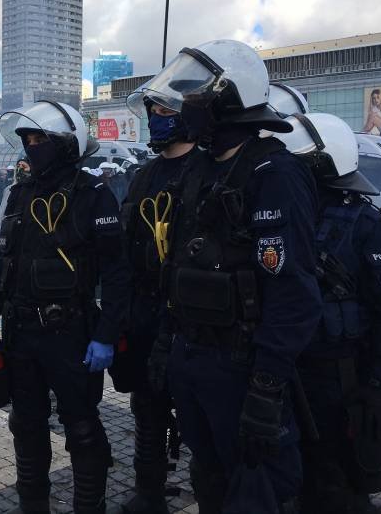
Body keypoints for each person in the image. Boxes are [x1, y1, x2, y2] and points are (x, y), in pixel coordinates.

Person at [151, 40, 322, 513]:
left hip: (242, 368)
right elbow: (177, 264)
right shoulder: (198, 170)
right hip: (193, 358)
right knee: (208, 479)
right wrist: (168, 344)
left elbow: (292, 293)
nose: (185, 106)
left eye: (194, 96)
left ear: (228, 99)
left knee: (254, 487)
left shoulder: (274, 173)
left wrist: (267, 385)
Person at [0, 100, 130, 514]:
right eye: (26, 139)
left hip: (70, 334)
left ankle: (89, 506)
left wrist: (104, 335)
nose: (31, 147)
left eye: (39, 138)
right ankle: (33, 506)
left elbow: (117, 274)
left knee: (81, 428)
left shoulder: (93, 194)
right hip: (20, 333)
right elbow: (3, 260)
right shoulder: (18, 193)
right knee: (25, 426)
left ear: (66, 144)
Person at [272, 111, 381, 514]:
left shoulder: (367, 226)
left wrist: (378, 383)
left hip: (341, 379)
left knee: (338, 487)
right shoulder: (282, 219)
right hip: (286, 371)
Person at [117, 82, 204, 514]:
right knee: (146, 410)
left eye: (165, 110)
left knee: (200, 415)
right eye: (150, 110)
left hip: (194, 319)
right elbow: (125, 244)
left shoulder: (208, 169)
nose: (155, 117)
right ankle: (149, 492)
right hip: (146, 313)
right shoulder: (144, 176)